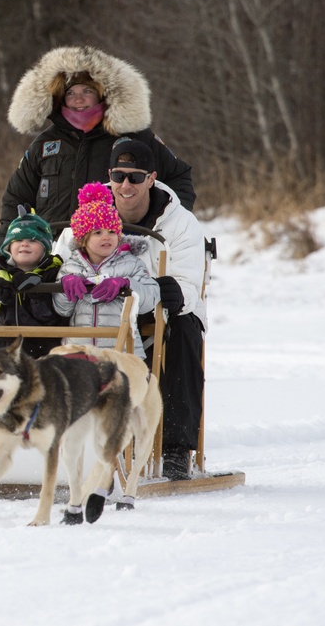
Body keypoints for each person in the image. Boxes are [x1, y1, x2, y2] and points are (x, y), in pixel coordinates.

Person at [0, 45, 195, 249]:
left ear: (102, 94)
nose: (78, 99)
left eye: (87, 91)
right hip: (54, 257)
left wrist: (168, 227)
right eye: (70, 92)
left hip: (117, 255)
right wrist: (4, 255)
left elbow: (178, 178)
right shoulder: (45, 144)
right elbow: (15, 200)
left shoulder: (135, 138)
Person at [106, 138, 208, 481]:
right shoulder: (93, 210)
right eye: (119, 176)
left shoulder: (179, 221)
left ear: (151, 178)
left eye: (135, 177)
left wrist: (174, 292)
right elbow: (66, 256)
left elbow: (191, 283)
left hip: (162, 311)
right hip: (103, 303)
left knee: (182, 330)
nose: (125, 185)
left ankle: (176, 446)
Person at [53, 183, 160, 358]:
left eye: (111, 231)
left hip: (122, 352)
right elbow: (62, 309)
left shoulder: (132, 264)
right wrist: (66, 287)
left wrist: (128, 285)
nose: (106, 237)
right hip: (80, 352)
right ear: (82, 239)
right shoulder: (71, 266)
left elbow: (150, 299)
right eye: (97, 232)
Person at [0, 206, 67, 359]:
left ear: (45, 247)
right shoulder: (0, 272)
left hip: (44, 345)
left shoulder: (53, 273)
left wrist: (36, 292)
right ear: (9, 247)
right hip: (5, 342)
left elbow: (51, 316)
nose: (24, 244)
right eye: (18, 240)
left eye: (32, 240)